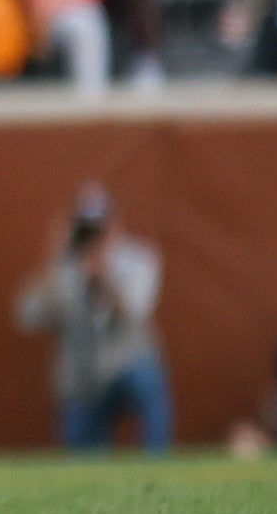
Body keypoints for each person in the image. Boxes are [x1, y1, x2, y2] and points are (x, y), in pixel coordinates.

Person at [16, 185, 170, 452]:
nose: (96, 238)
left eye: (101, 228)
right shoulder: (63, 268)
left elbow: (136, 312)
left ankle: (156, 461)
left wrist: (104, 277)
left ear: (116, 226)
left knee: (148, 379)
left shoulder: (138, 259)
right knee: (83, 451)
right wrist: (53, 260)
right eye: (87, 230)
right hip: (82, 377)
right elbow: (27, 317)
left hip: (126, 363)